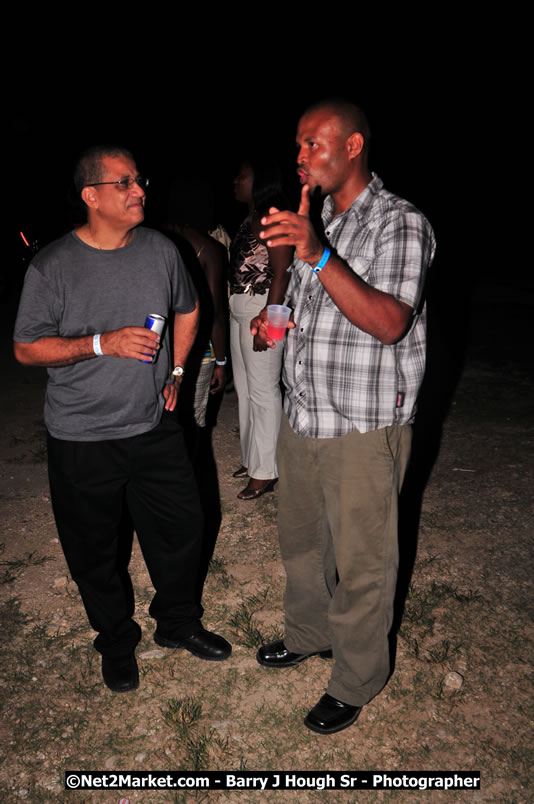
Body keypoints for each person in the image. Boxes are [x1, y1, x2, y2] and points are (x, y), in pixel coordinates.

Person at [13, 145, 232, 694]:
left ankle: (178, 624)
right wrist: (99, 343)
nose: (140, 191)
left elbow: (189, 307)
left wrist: (178, 371)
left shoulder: (160, 249)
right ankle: (115, 640)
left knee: (183, 529)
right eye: (125, 182)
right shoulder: (52, 265)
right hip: (81, 435)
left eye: (141, 180)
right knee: (95, 551)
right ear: (92, 196)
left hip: (152, 425)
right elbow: (25, 348)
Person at [251, 99, 436, 734]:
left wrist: (319, 255)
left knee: (364, 562)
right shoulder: (320, 217)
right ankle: (307, 634)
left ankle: (356, 678)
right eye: (297, 145)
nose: (300, 157)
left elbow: (389, 323)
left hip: (363, 426)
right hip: (305, 415)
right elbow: (315, 309)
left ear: (353, 146)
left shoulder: (400, 222)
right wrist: (277, 316)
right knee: (303, 543)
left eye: (313, 144)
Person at [229, 158, 293, 499]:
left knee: (264, 389)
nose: (236, 180)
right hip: (241, 305)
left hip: (265, 306)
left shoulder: (273, 217)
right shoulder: (251, 218)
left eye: (243, 174)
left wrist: (271, 319)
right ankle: (253, 459)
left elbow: (283, 272)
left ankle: (266, 471)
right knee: (246, 389)